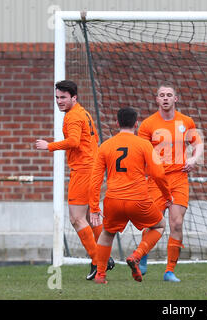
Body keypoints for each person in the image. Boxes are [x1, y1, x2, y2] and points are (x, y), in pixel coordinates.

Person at [35, 80, 114, 279]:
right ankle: (104, 257)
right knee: (89, 217)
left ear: (74, 98)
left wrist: (49, 146)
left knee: (76, 219)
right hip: (93, 168)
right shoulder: (83, 113)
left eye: (63, 97)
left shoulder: (72, 117)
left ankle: (98, 260)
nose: (59, 101)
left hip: (83, 171)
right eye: (57, 97)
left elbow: (73, 141)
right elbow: (91, 141)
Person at [89, 107, 173, 284]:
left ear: (117, 123)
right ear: (136, 124)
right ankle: (136, 255)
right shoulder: (144, 145)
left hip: (113, 200)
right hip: (138, 199)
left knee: (107, 233)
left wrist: (94, 207)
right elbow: (158, 174)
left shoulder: (105, 146)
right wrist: (167, 195)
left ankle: (100, 274)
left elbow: (95, 180)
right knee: (159, 225)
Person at [138, 83, 204, 282]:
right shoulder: (147, 125)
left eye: (169, 95)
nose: (165, 98)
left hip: (178, 179)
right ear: (156, 100)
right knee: (154, 222)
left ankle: (169, 271)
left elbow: (198, 144)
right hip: (156, 181)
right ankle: (142, 257)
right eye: (161, 95)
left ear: (175, 99)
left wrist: (194, 159)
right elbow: (140, 153)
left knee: (176, 223)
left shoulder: (186, 121)